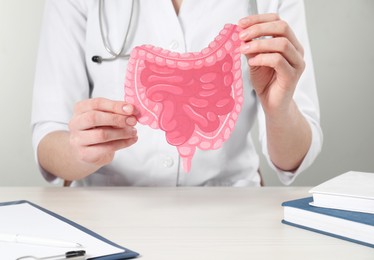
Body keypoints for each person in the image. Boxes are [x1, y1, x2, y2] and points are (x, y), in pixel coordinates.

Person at [31, 0, 322, 187]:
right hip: (109, 209)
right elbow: (48, 140)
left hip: (230, 213)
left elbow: (292, 160)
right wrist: (82, 150)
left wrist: (279, 110)